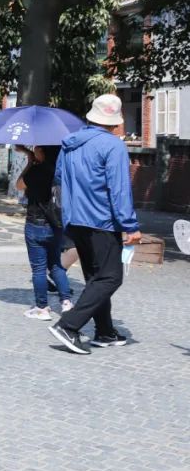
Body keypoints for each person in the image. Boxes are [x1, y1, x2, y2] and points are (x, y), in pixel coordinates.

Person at [48, 94, 141, 355]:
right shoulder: (113, 146)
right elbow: (119, 189)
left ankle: (105, 331)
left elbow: (59, 178)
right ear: (116, 121)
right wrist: (130, 225)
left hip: (75, 218)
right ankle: (68, 325)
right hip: (101, 220)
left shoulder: (70, 143)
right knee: (110, 277)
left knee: (95, 277)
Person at [15, 145, 74, 320]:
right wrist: (31, 156)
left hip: (36, 224)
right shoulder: (61, 171)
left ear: (43, 152)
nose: (34, 149)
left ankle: (42, 308)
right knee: (56, 264)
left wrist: (29, 163)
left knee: (39, 269)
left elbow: (19, 185)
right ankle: (66, 302)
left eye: (37, 148)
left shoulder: (37, 171)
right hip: (56, 224)